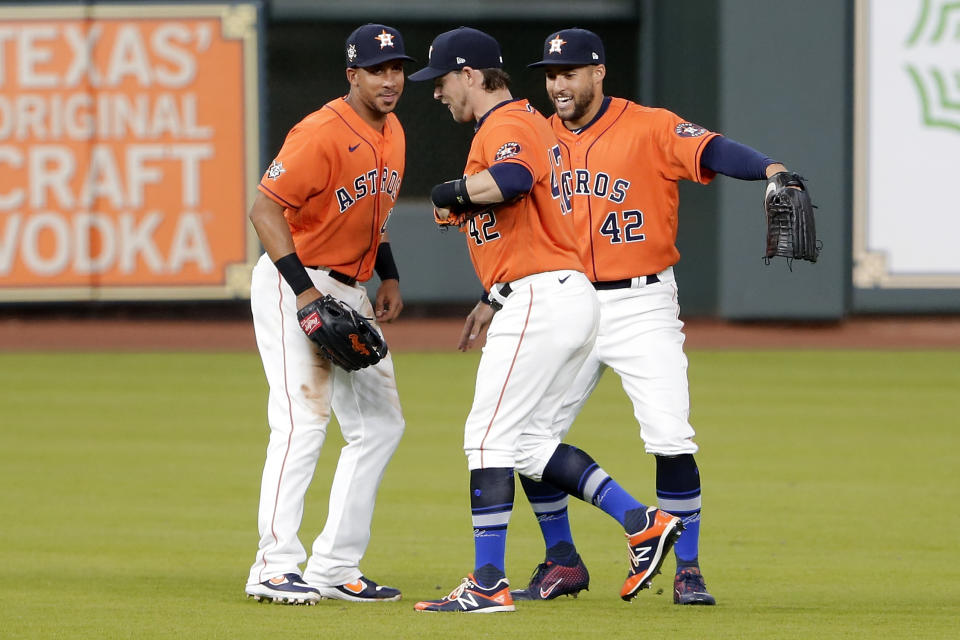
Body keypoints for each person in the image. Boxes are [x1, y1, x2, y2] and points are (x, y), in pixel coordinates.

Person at [468, 28, 808, 606]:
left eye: (570, 72)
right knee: (527, 434)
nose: (558, 84)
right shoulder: (533, 136)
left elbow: (713, 150)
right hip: (564, 299)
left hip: (641, 302)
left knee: (671, 437)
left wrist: (771, 169)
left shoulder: (648, 124)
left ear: (598, 72)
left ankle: (688, 570)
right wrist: (498, 293)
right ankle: (563, 560)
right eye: (551, 74)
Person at [406, 27, 683, 614]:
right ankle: (642, 521)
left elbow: (511, 180)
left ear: (473, 76)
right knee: (530, 442)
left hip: (541, 295)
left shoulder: (506, 123)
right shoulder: (518, 125)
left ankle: (487, 584)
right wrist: (465, 208)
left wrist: (452, 191)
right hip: (556, 293)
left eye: (443, 80)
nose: (437, 93)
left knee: (486, 438)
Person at [243, 23, 413, 605]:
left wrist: (387, 273)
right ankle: (272, 564)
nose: (390, 79)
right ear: (352, 75)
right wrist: (303, 293)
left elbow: (373, 214)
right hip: (296, 281)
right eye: (377, 69)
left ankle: (334, 566)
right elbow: (263, 209)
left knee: (382, 424)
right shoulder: (319, 132)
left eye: (396, 69)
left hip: (352, 285)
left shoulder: (394, 133)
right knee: (302, 420)